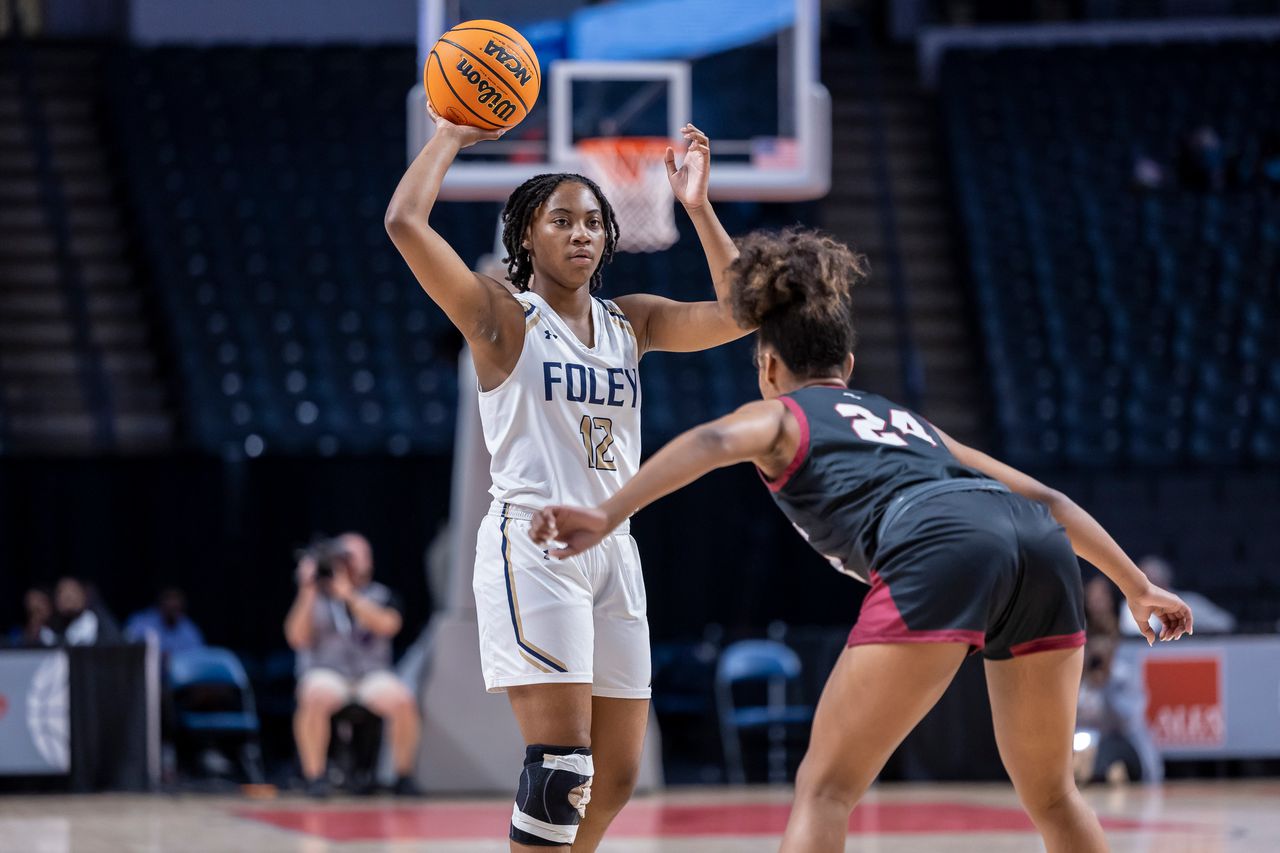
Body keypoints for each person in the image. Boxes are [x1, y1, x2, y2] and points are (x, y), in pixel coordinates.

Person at [530, 228, 1194, 853]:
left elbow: (710, 442)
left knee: (825, 788)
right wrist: (1136, 585)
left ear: (767, 368)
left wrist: (608, 511)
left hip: (940, 540)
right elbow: (1044, 498)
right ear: (846, 363)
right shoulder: (907, 421)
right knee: (1052, 792)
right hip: (1037, 543)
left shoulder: (781, 415)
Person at [385, 104, 746, 850]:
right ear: (526, 235)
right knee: (559, 768)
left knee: (613, 777)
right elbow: (404, 225)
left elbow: (744, 311)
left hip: (615, 547)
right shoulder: (501, 317)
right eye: (561, 220)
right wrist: (451, 136)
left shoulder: (632, 323)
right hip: (538, 543)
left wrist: (700, 209)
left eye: (592, 221)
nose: (581, 232)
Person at [284, 532, 421, 798]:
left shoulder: (381, 594)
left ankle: (403, 776)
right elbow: (296, 637)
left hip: (371, 675)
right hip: (326, 671)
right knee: (313, 696)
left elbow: (389, 625)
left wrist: (349, 596)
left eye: (355, 556)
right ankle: (315, 777)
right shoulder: (315, 597)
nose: (348, 562)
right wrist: (307, 589)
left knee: (402, 700)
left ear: (368, 561)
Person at [1118, 555, 1235, 636]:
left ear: (1164, 585)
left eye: (1151, 584)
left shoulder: (1189, 602)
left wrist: (1192, 633)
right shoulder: (1129, 606)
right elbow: (1133, 635)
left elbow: (1225, 623)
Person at [124, 587, 206, 655]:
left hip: (177, 674)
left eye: (176, 607)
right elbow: (126, 644)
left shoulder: (190, 630)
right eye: (169, 598)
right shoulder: (141, 622)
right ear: (160, 603)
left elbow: (197, 659)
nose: (173, 604)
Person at [51, 577, 122, 646]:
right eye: (61, 592)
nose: (68, 597)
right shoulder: (50, 630)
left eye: (72, 591)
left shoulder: (99, 622)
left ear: (84, 594)